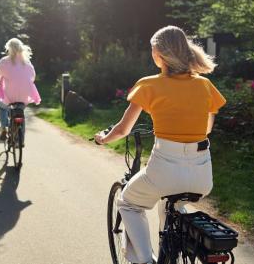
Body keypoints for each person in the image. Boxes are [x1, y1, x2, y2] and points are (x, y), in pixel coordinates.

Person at [94, 25, 226, 264]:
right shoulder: (205, 86)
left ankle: (145, 260)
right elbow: (206, 129)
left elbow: (124, 129)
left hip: (165, 168)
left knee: (129, 202)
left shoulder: (149, 85)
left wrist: (104, 138)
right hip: (202, 175)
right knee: (172, 207)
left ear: (158, 54)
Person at [0, 38, 41, 141]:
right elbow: (32, 77)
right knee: (20, 111)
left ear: (9, 49)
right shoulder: (26, 62)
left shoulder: (5, 61)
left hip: (9, 96)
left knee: (0, 106)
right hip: (24, 96)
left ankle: (4, 127)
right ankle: (21, 139)